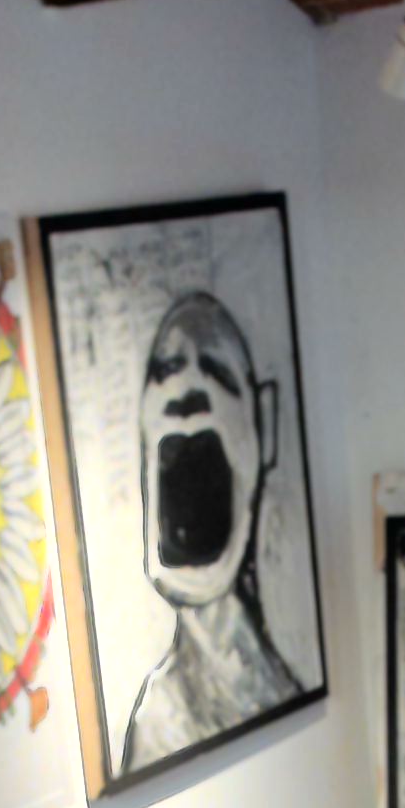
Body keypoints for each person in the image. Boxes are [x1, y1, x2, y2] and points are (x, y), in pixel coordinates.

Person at [118, 293, 306, 773]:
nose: (187, 388)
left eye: (216, 370)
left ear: (265, 425)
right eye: (165, 371)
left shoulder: (279, 696)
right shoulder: (158, 722)